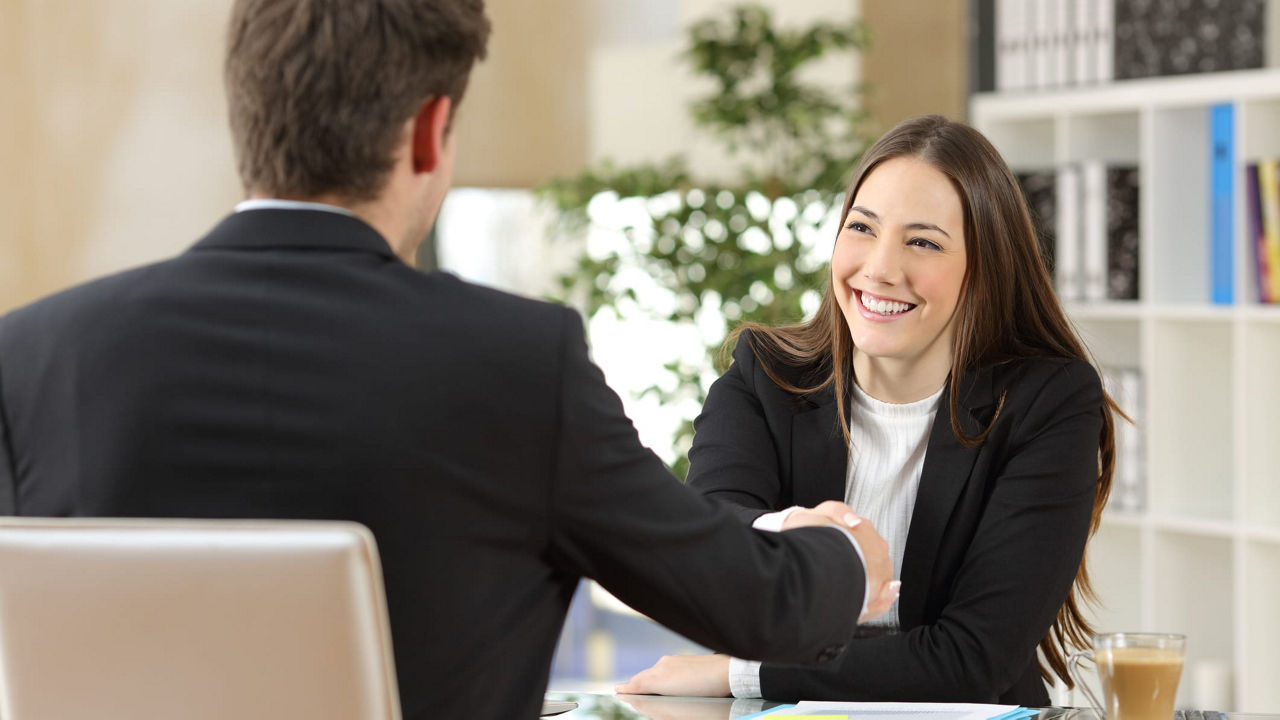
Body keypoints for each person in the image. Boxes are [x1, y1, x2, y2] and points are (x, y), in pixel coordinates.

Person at [0, 2, 900, 718]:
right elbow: (746, 602)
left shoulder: (35, 353)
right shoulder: (516, 363)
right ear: (431, 132)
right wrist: (846, 555)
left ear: (244, 114)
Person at [617, 114, 1120, 705]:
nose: (879, 269)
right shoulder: (767, 374)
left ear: (984, 269)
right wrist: (785, 527)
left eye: (923, 241)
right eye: (862, 228)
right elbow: (704, 536)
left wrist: (739, 673)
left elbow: (972, 660)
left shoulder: (1047, 402)